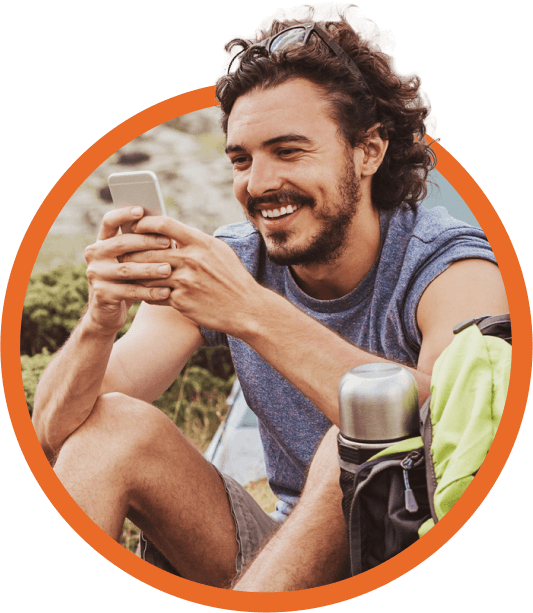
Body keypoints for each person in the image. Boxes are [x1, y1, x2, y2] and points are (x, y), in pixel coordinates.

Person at [31, 4, 508, 592]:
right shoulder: (232, 258)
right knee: (113, 428)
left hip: (402, 550)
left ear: (368, 151)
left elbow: (449, 441)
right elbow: (56, 430)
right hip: (282, 555)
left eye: (289, 151)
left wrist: (251, 312)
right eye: (241, 159)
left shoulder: (452, 264)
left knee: (357, 431)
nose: (257, 185)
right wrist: (100, 322)